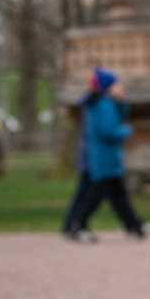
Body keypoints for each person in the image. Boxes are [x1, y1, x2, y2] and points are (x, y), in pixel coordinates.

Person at [75, 67, 150, 240]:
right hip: (103, 158)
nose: (121, 87)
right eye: (117, 84)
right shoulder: (103, 105)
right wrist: (126, 131)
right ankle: (78, 226)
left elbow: (118, 116)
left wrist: (121, 101)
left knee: (119, 196)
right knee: (96, 195)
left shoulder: (107, 103)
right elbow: (108, 130)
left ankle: (134, 226)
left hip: (108, 158)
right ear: (108, 87)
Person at [61, 89, 99, 243]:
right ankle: (76, 225)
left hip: (88, 158)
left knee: (83, 194)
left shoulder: (89, 106)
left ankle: (71, 225)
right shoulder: (94, 107)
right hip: (91, 159)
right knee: (89, 194)